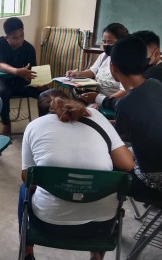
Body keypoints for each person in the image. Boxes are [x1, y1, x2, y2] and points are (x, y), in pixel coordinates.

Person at [18, 89, 134, 260]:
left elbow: (29, 179)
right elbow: (127, 164)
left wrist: (60, 181)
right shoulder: (94, 115)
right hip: (101, 226)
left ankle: (27, 251)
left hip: (48, 223)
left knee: (24, 190)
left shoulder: (34, 126)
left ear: (41, 112)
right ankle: (96, 254)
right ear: (72, 102)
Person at [109, 36, 162, 202]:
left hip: (153, 183)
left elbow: (118, 139)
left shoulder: (125, 103)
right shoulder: (155, 84)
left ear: (113, 67)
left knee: (102, 164)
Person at [80, 30, 162, 111]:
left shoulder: (152, 76)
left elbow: (129, 105)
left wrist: (98, 99)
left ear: (157, 54)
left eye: (141, 54)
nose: (134, 59)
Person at [0, 17, 43, 136]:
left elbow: (33, 70)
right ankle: (6, 124)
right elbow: (0, 64)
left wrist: (40, 83)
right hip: (2, 80)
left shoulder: (28, 48)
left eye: (21, 35)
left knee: (46, 94)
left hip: (22, 81)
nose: (19, 40)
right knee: (1, 93)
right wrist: (17, 71)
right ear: (7, 37)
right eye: (14, 38)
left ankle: (44, 124)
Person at [66, 23, 129, 98]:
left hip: (111, 103)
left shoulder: (127, 61)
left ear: (122, 41)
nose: (106, 45)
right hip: (97, 97)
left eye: (110, 42)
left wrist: (100, 101)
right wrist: (77, 74)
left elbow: (124, 91)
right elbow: (92, 71)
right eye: (104, 42)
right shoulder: (104, 56)